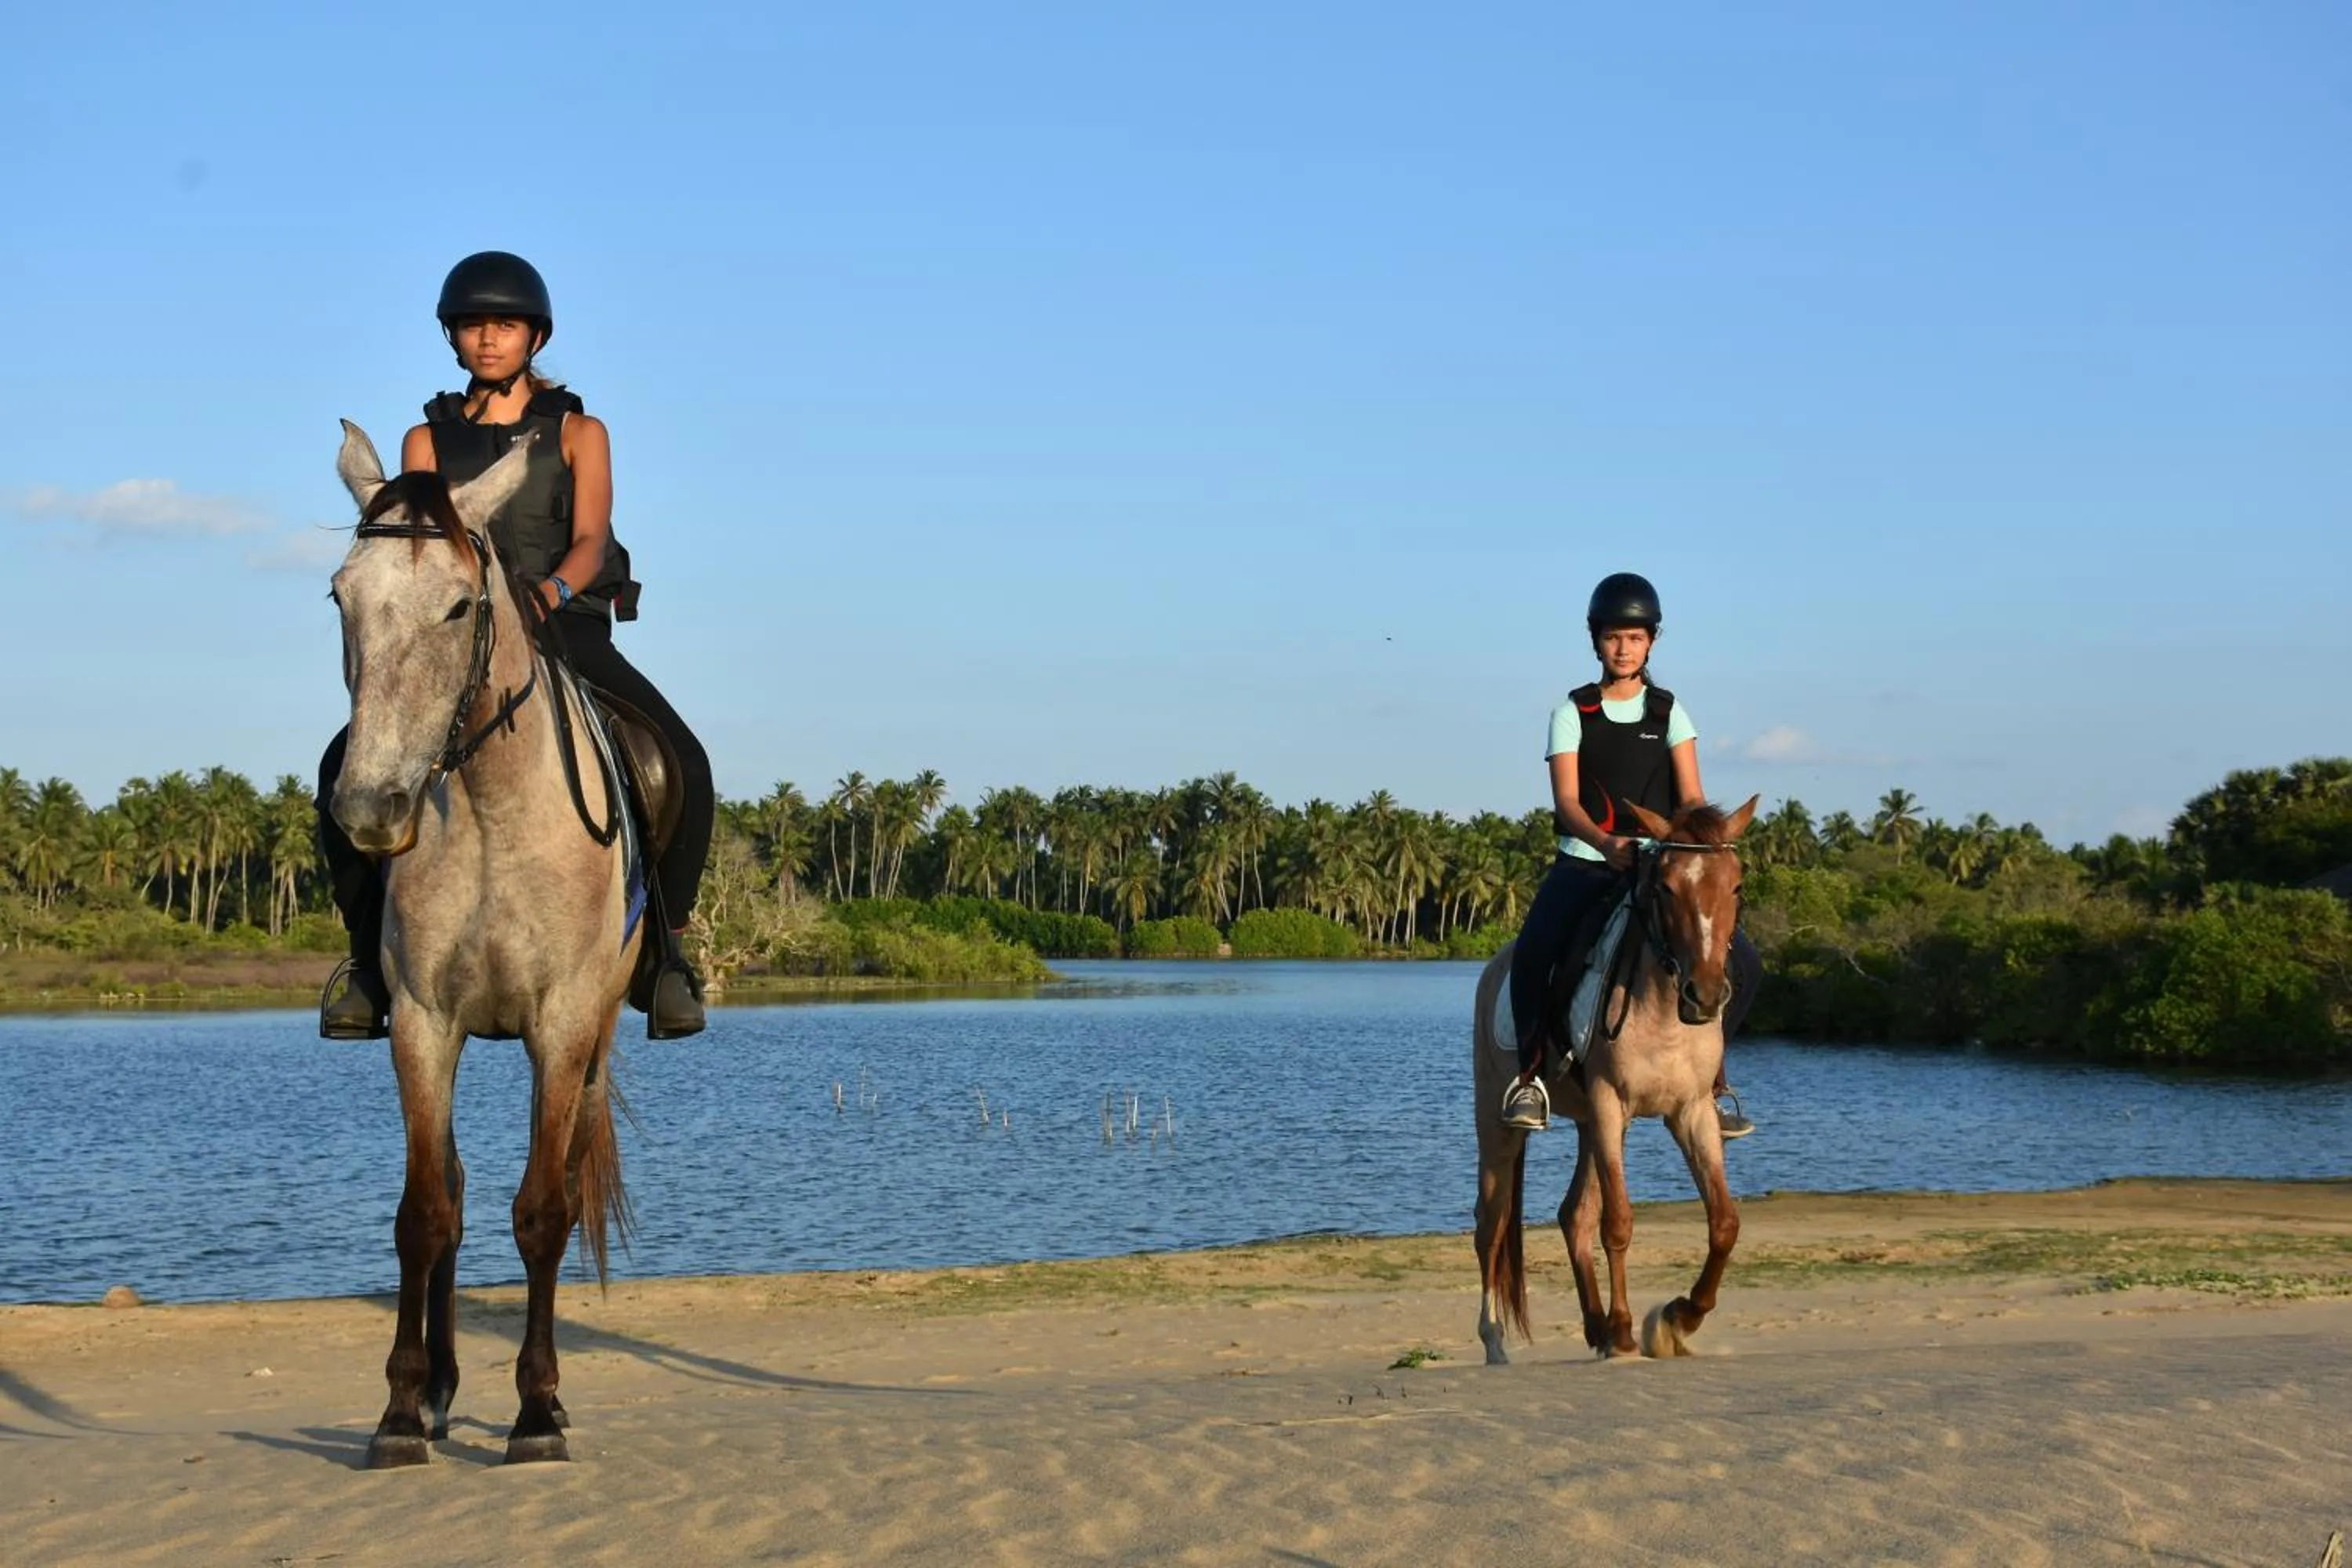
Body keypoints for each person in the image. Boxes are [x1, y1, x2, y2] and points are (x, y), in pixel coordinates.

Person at [317, 250, 715, 1040]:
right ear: (454, 339)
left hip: (562, 621)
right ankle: (367, 964)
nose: (488, 339)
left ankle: (665, 956)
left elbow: (593, 538)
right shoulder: (424, 440)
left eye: (504, 325)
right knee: (341, 763)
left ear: (534, 336)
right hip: (462, 632)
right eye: (473, 326)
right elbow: (421, 551)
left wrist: (552, 590)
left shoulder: (578, 430)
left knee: (685, 760)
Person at [1499, 572, 1761, 1136]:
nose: (1624, 648)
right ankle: (1530, 1077)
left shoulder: (1670, 713)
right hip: (1586, 860)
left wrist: (1697, 842)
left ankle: (1714, 1083)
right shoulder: (1572, 712)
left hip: (1660, 868)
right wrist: (1605, 842)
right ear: (1596, 640)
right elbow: (1567, 801)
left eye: (1635, 638)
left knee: (1748, 963)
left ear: (1652, 643)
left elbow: (1691, 796)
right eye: (1614, 637)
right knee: (1535, 951)